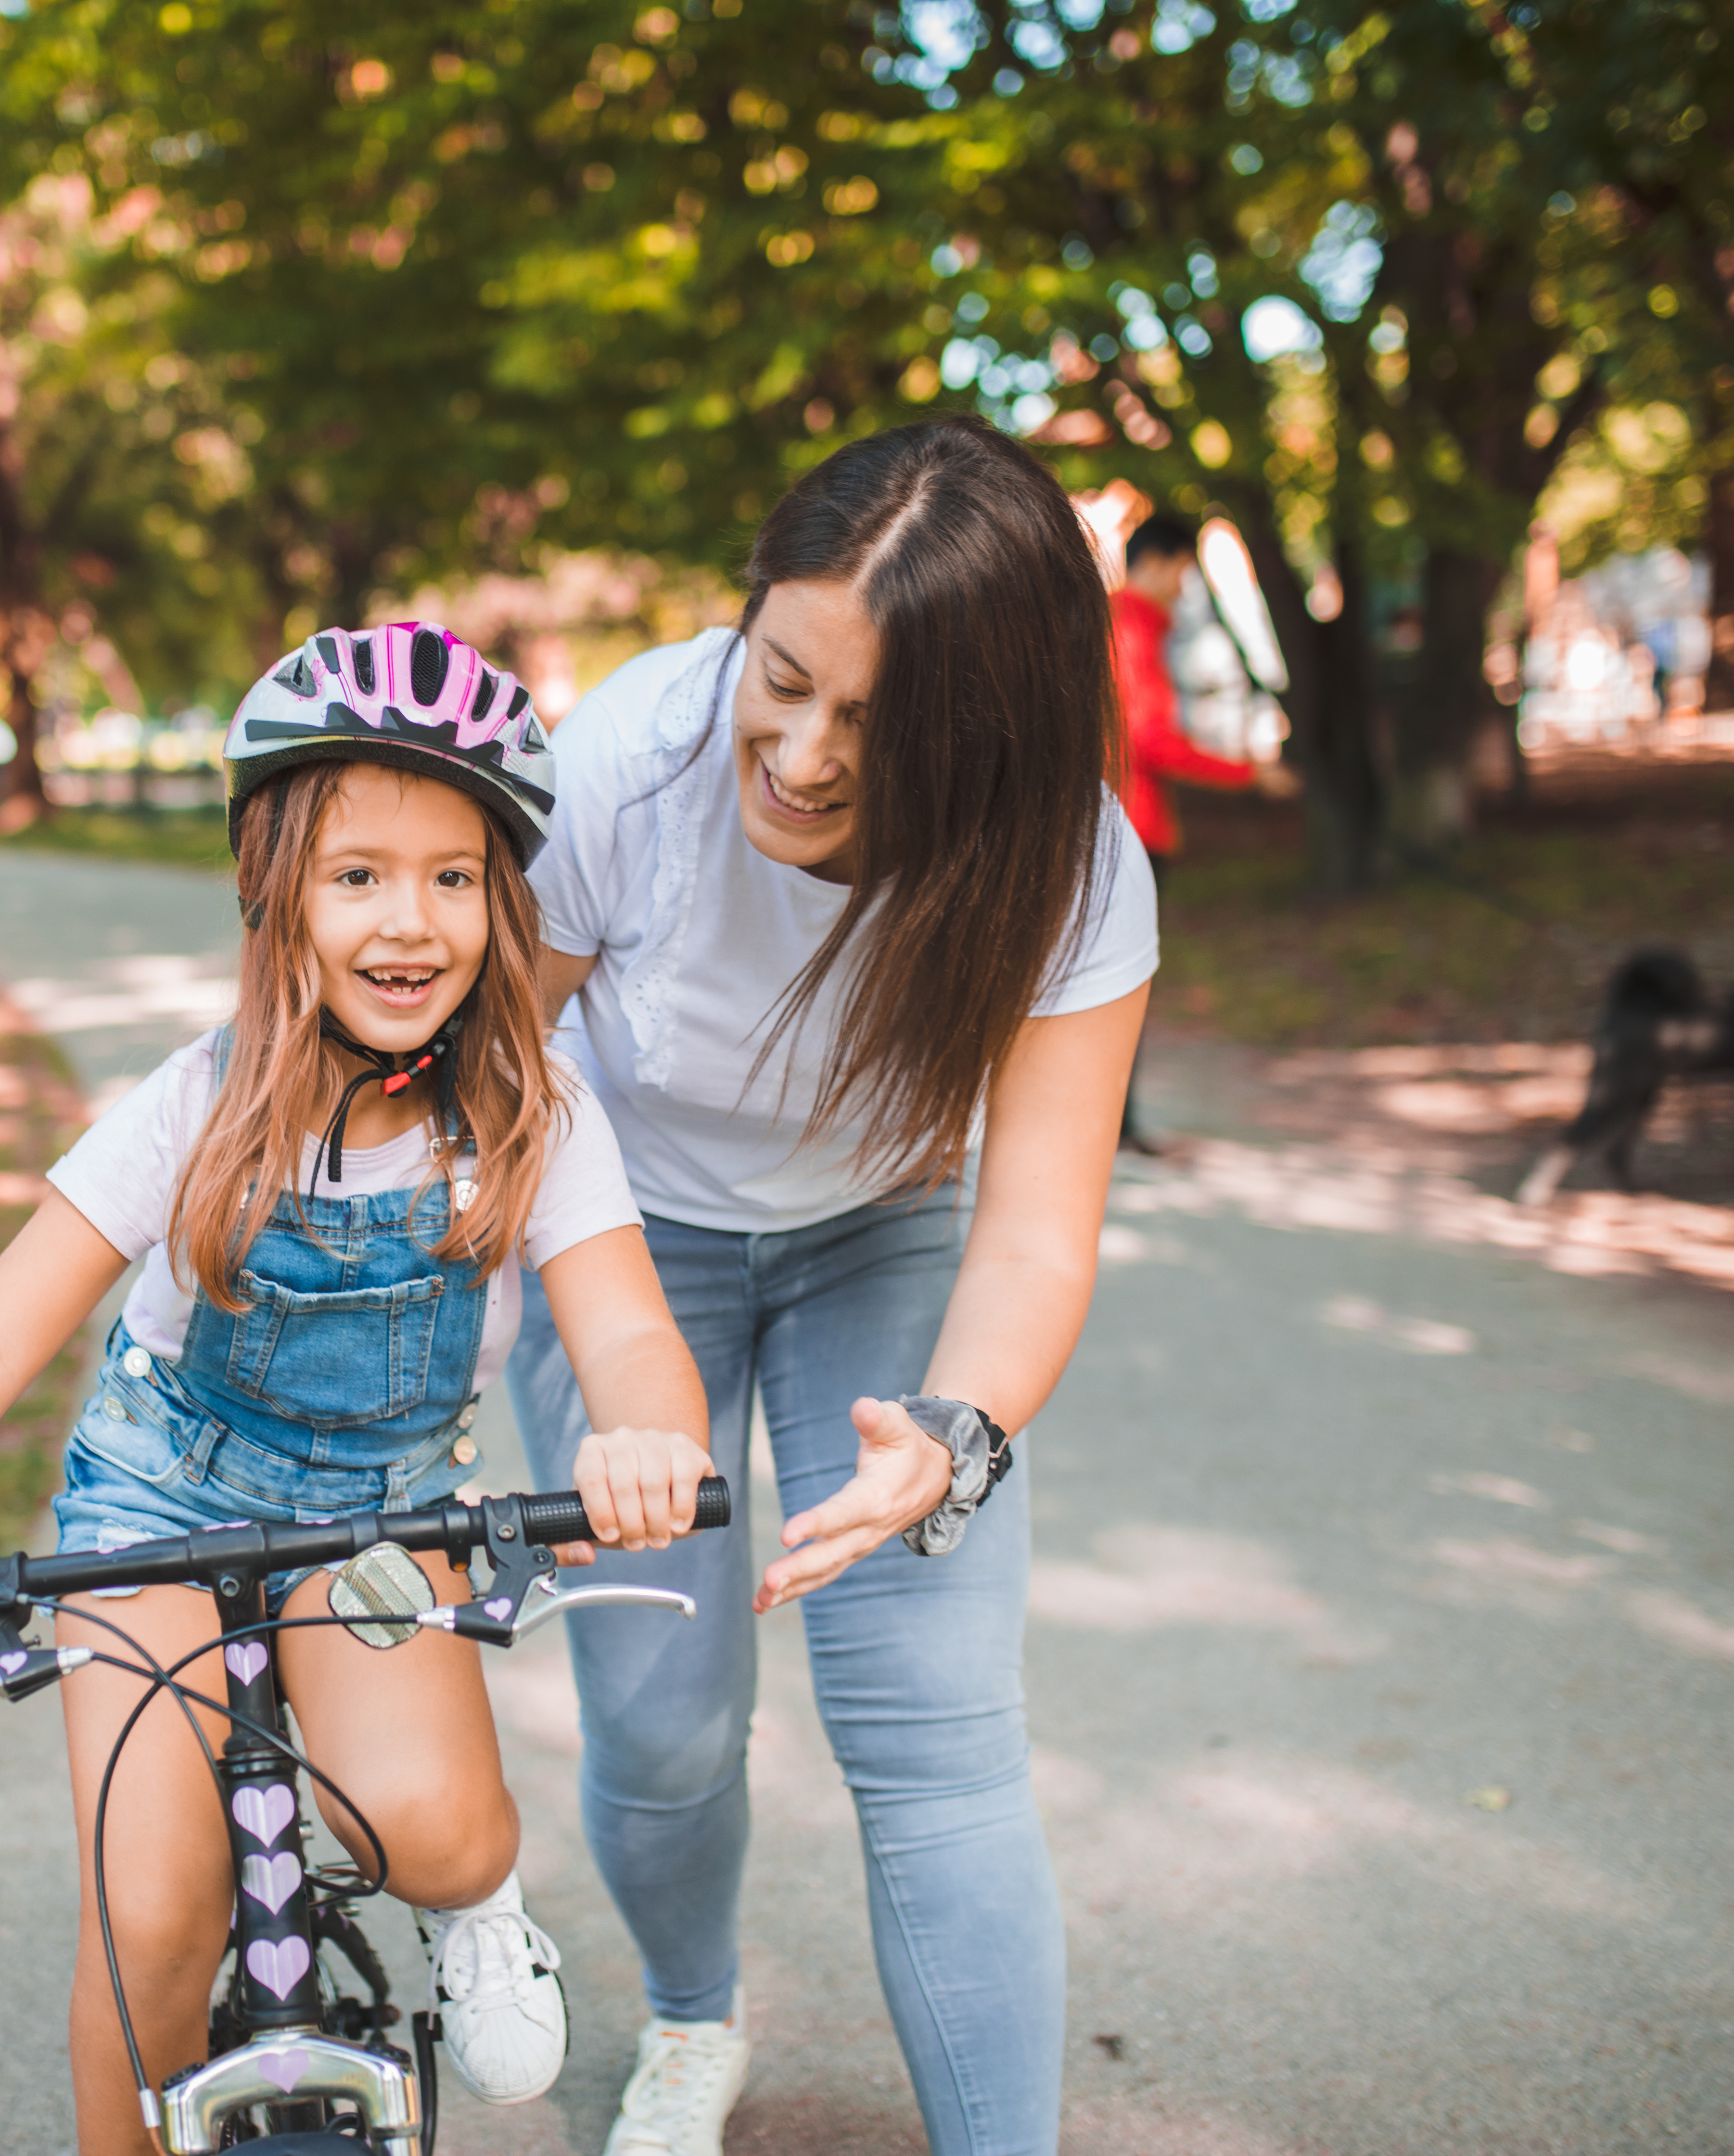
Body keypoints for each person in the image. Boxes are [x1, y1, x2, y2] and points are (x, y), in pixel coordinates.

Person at [0, 624, 717, 2156]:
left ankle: (482, 1910)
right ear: (279, 901)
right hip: (158, 1499)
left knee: (438, 1829)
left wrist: (647, 1436)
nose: (413, 922)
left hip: (379, 1519)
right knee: (153, 1918)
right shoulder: (197, 1106)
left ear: (504, 901)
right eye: (360, 877)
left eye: (455, 877)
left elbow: (630, 1330)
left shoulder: (538, 1115)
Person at [507, 418, 1158, 2156]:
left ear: (986, 740)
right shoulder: (634, 759)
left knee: (938, 1734)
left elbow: (1034, 1228)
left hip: (880, 1235)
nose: (795, 754)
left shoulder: (1073, 870)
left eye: (870, 725)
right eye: (780, 677)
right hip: (622, 1233)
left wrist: (955, 1430)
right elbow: (501, 1064)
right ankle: (693, 2021)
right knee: (664, 1724)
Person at [1111, 513, 1291, 1153]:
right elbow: (1151, 739)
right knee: (1118, 986)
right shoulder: (1128, 630)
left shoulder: (1118, 628)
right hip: (1129, 833)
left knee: (1110, 983)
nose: (1183, 590)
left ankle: (1114, 1127)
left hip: (1117, 829)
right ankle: (1115, 1130)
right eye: (1183, 574)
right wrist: (1246, 772)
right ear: (1156, 563)